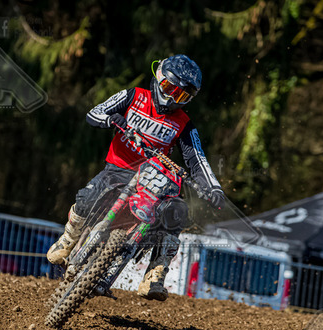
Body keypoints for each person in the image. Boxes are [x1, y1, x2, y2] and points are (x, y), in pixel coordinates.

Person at [47, 54, 225, 301]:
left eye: (181, 96)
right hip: (118, 169)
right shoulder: (133, 96)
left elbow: (197, 159)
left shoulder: (184, 124)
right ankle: (68, 239)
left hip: (153, 178)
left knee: (178, 210)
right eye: (169, 88)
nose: (172, 98)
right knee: (87, 196)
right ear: (158, 78)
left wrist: (214, 188)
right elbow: (94, 113)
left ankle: (155, 273)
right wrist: (111, 119)